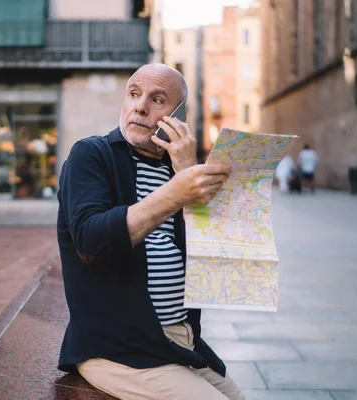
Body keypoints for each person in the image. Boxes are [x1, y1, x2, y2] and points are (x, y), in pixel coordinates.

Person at [57, 63, 245, 400]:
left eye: (157, 99)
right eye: (134, 94)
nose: (140, 106)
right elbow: (90, 241)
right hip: (119, 348)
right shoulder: (91, 154)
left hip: (182, 342)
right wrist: (178, 191)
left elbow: (213, 265)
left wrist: (186, 174)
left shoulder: (179, 169)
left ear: (178, 114)